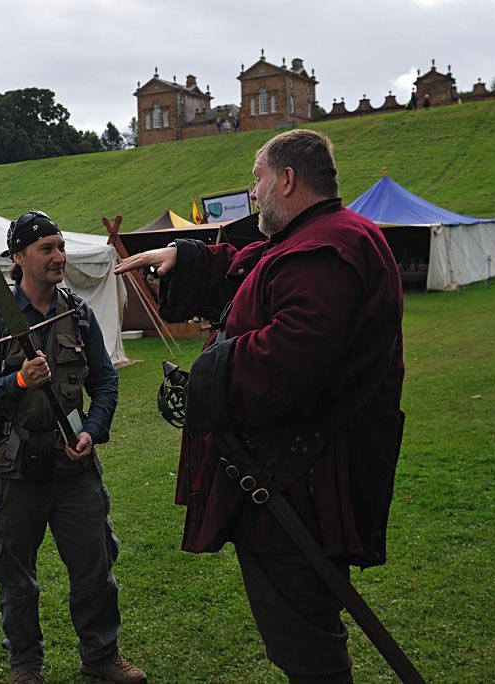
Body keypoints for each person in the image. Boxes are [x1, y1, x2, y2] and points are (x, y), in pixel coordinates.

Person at [115, 129, 405, 683]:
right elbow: (250, 268)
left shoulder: (326, 249)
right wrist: (182, 255)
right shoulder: (316, 240)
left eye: (257, 178)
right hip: (295, 472)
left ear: (288, 180)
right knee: (301, 632)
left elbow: (291, 358)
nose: (254, 192)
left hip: (302, 479)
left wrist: (207, 374)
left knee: (308, 648)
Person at [0, 211, 145, 684]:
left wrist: (94, 430)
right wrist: (19, 381)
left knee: (95, 568)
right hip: (13, 466)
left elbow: (104, 383)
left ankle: (102, 657)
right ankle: (25, 666)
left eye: (60, 246)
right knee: (15, 575)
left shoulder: (77, 314)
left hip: (73, 465)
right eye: (47, 248)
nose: (58, 256)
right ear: (19, 257)